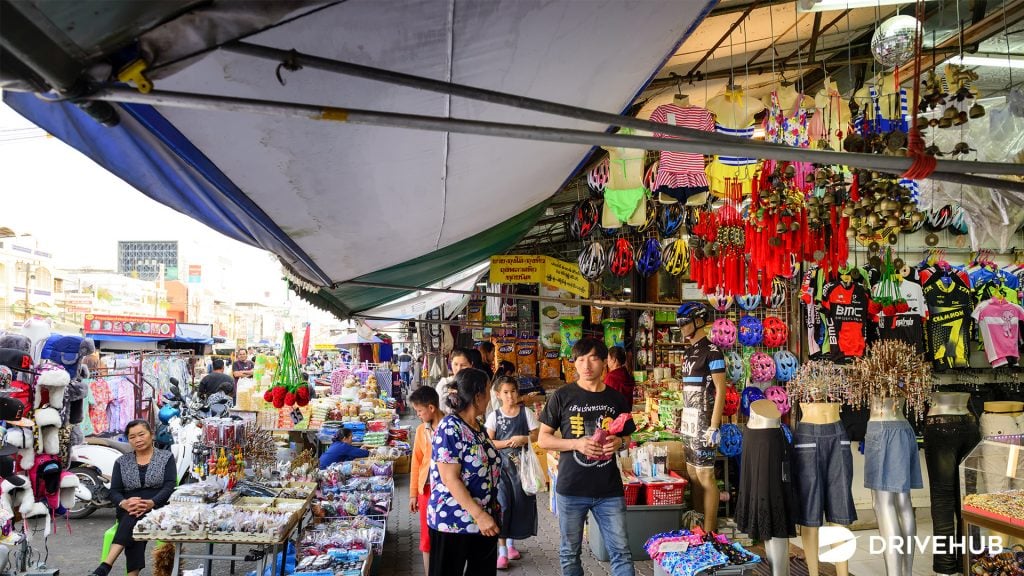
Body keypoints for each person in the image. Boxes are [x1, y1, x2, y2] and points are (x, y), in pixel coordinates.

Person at [538, 338, 636, 576]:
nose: (586, 365)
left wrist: (620, 442)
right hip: (571, 489)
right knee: (570, 553)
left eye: (593, 358)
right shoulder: (562, 396)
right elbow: (543, 439)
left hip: (609, 490)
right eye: (580, 359)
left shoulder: (616, 399)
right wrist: (576, 443)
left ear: (604, 362)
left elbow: (629, 439)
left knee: (621, 552)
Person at [427, 368, 501, 576]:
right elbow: (450, 478)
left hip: (483, 520)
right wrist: (479, 515)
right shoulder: (450, 428)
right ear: (478, 396)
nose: (491, 397)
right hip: (453, 522)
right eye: (489, 391)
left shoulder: (477, 426)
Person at [88, 420, 177, 576]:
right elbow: (114, 491)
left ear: (151, 434)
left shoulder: (166, 457)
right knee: (134, 515)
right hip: (129, 506)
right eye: (132, 437)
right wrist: (124, 503)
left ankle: (105, 567)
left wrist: (152, 502)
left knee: (133, 519)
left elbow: (169, 486)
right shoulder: (122, 462)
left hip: (158, 505)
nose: (137, 440)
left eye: (141, 434)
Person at [485, 376, 539, 570]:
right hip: (501, 471)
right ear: (498, 395)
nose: (510, 396)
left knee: (519, 505)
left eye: (513, 391)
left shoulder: (526, 413)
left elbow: (536, 434)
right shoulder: (494, 416)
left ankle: (511, 544)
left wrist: (524, 439)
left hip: (522, 470)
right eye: (505, 392)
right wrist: (508, 442)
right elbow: (489, 442)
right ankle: (501, 552)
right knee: (503, 506)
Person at [410, 386, 443, 574]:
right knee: (426, 538)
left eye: (419, 411)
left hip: (448, 491)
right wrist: (413, 494)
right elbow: (416, 461)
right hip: (427, 490)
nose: (418, 415)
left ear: (431, 408)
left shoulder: (450, 426)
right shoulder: (421, 430)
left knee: (447, 536)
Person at [604, 347, 636, 411]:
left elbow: (605, 398)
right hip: (627, 412)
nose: (607, 361)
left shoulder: (611, 377)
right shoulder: (626, 373)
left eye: (608, 358)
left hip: (615, 414)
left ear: (614, 360)